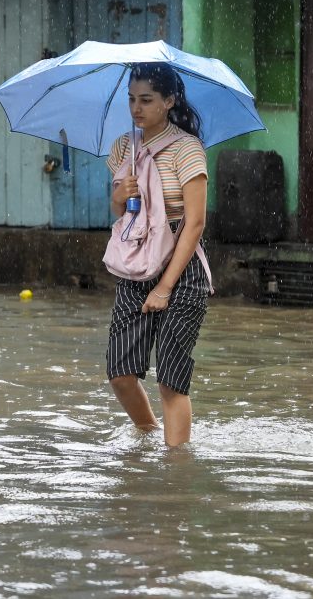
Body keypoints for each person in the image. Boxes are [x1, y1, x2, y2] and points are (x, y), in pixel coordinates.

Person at [105, 62, 211, 447]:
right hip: (137, 263)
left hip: (183, 269)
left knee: (170, 380)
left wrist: (165, 287)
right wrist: (118, 195)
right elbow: (124, 215)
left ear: (169, 101)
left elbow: (195, 223)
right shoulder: (124, 148)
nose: (137, 108)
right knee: (120, 374)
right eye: (132, 99)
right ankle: (149, 437)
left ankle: (176, 467)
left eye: (147, 100)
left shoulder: (187, 149)